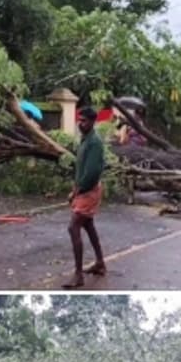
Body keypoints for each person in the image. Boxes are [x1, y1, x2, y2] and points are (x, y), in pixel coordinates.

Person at [64, 106, 107, 289]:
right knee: (88, 225)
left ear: (92, 122)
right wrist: (75, 188)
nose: (80, 124)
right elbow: (81, 169)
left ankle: (78, 275)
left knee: (73, 227)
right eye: (79, 120)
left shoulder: (94, 143)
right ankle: (100, 263)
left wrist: (78, 191)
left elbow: (92, 173)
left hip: (89, 190)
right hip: (83, 189)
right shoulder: (85, 140)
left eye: (84, 121)